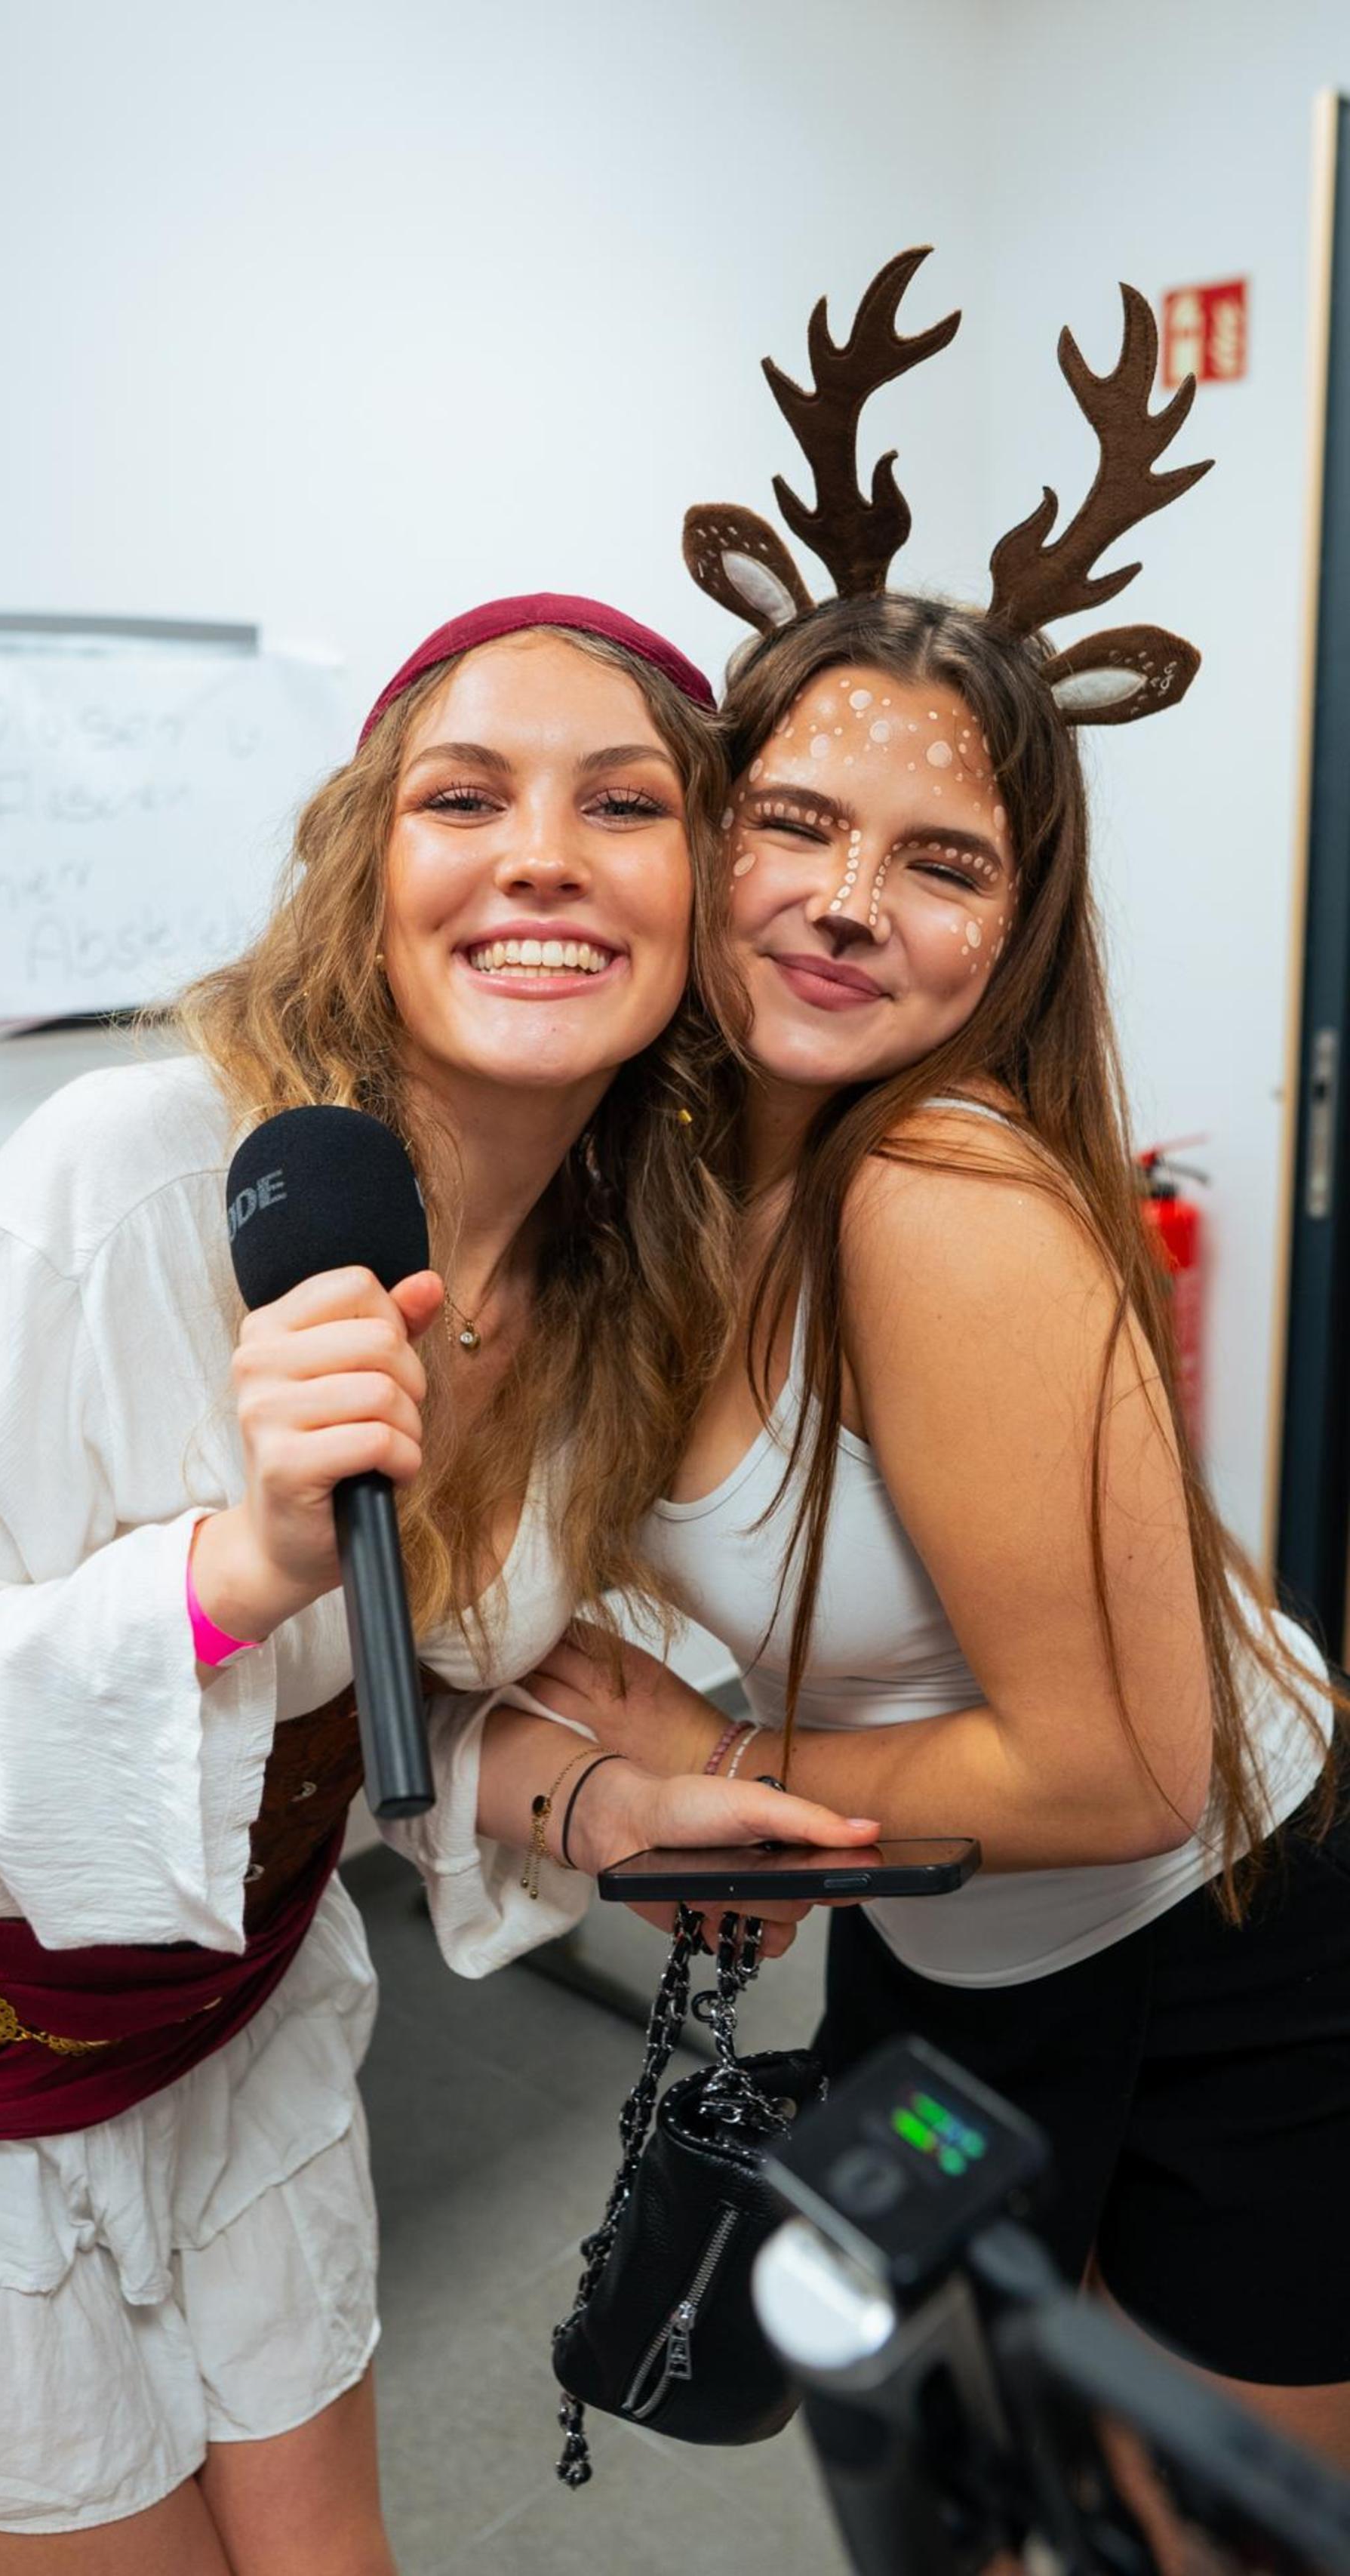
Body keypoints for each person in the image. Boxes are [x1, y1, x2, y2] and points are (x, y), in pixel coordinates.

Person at [0, 592, 876, 2572]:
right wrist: (232, 1564)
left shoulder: (606, 1282)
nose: (540, 852)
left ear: (699, 904)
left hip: (251, 2041)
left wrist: (617, 1807)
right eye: (466, 796)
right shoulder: (125, 1184)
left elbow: (408, 1698)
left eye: (621, 806)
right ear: (371, 879)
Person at [524, 264, 1350, 2471]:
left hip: (1232, 1957)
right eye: (791, 822)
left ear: (1018, 928)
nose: (846, 899)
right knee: (947, 2464)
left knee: (1198, 2519)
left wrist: (719, 1751)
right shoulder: (690, 1168)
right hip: (937, 1933)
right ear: (701, 833)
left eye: (943, 860)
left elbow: (1118, 1778)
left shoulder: (940, 1201)